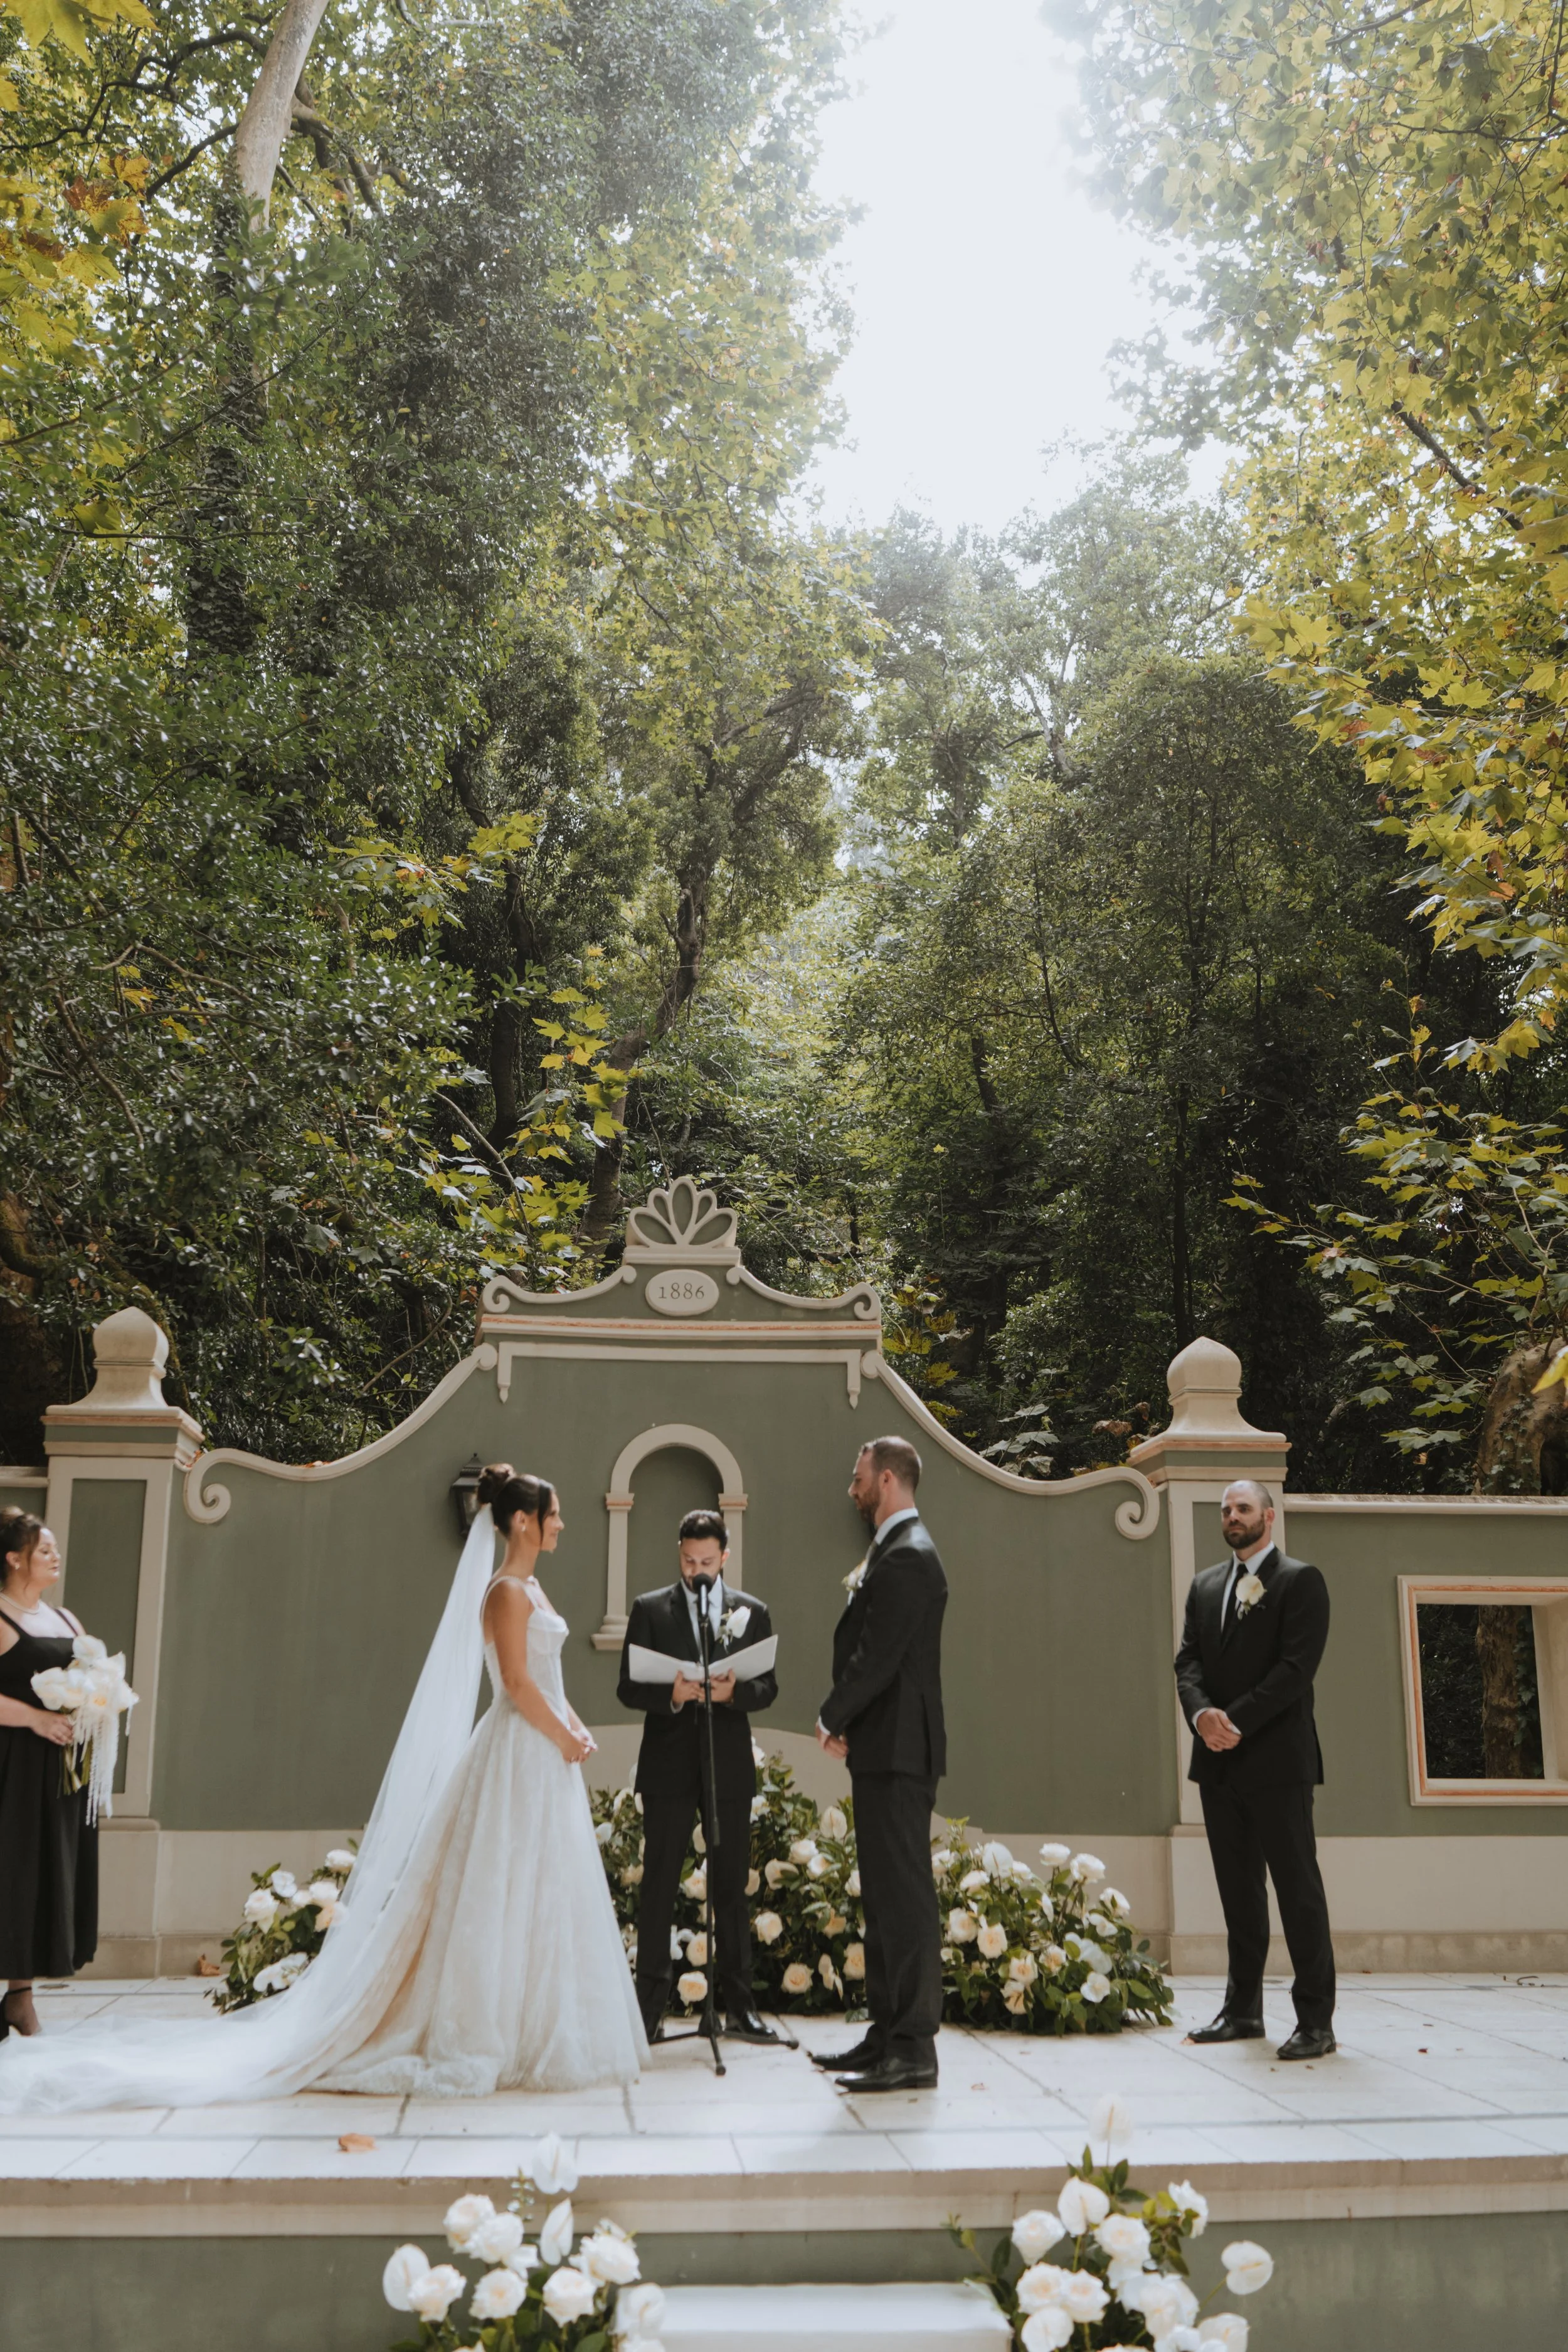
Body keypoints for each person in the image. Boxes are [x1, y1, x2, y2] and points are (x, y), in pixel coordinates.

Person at [0, 1463, 645, 2110]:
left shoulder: (535, 1590)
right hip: (519, 1751)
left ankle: (533, 2020)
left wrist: (574, 1727)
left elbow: (548, 1679)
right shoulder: (504, 1591)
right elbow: (515, 1683)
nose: (562, 1522)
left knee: (540, 1887)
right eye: (554, 1512)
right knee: (497, 1887)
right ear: (524, 1521)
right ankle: (485, 2027)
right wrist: (562, 1735)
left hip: (545, 1751)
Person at [1174, 1478, 1336, 2061]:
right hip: (1217, 1765)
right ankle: (1242, 2011)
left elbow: (1295, 1670)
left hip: (1277, 1763)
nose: (1232, 1515)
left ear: (1269, 1517)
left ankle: (1316, 2021)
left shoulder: (1300, 1581)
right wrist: (1202, 1718)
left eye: (1244, 1507)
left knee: (1298, 1892)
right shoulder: (1204, 1586)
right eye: (1225, 1509)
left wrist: (1234, 1720)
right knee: (1238, 1894)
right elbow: (1187, 1662)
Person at [813, 1436, 946, 2093]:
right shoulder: (893, 1551)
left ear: (888, 1480)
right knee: (884, 1901)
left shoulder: (909, 1557)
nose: (851, 1487)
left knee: (906, 1899)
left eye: (858, 1476)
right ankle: (885, 2033)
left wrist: (832, 1714)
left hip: (899, 1750)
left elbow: (879, 1657)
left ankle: (914, 2048)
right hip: (883, 1746)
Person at [617, 1508, 778, 2045]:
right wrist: (671, 1695)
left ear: (724, 1558)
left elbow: (768, 1688)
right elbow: (627, 1687)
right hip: (668, 1766)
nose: (697, 1569)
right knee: (659, 1885)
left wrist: (734, 1694)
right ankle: (648, 2011)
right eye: (689, 1560)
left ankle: (738, 2009)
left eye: (707, 1561)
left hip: (727, 1764)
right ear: (679, 1554)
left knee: (731, 1886)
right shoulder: (649, 1609)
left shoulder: (751, 1612)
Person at [0, 1512, 97, 2037]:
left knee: (36, 1875)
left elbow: (91, 1681)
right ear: (14, 1559)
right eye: (44, 1550)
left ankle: (20, 1997)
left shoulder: (66, 1620)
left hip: (57, 1770)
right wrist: (36, 1718)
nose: (55, 1557)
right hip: (9, 1763)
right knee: (7, 1871)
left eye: (55, 1550)